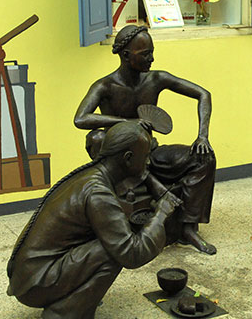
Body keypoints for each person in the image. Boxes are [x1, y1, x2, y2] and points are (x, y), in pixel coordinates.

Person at [7, 121, 182, 319]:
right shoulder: (98, 192)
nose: (148, 161)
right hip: (36, 284)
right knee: (113, 251)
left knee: (113, 239)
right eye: (145, 155)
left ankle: (71, 300)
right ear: (128, 158)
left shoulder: (92, 174)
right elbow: (132, 254)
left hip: (29, 274)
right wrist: (162, 213)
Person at [74, 25, 217, 254]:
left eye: (152, 51)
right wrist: (124, 122)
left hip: (150, 152)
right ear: (126, 55)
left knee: (204, 158)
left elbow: (203, 94)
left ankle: (188, 227)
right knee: (97, 138)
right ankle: (149, 189)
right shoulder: (105, 86)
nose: (152, 58)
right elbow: (80, 118)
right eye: (145, 54)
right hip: (123, 158)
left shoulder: (156, 79)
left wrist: (203, 136)